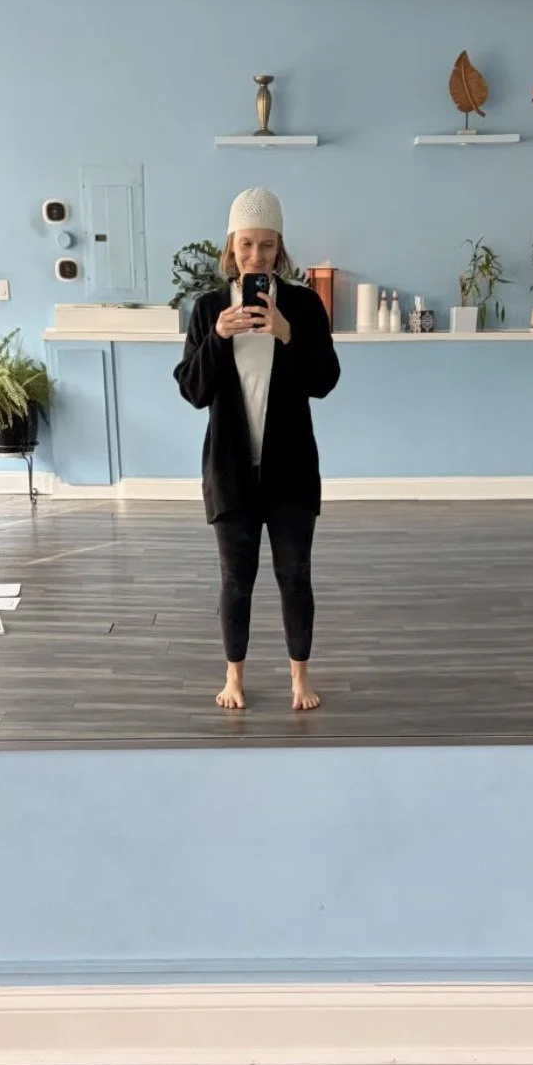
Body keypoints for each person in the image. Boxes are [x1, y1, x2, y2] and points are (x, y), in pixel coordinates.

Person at [173, 187, 340, 712]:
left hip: (292, 472)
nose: (256, 256)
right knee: (235, 580)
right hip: (230, 471)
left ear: (279, 247)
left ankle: (299, 678)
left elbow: (325, 380)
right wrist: (218, 338)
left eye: (267, 245)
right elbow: (193, 391)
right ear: (231, 245)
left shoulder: (304, 306)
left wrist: (288, 334)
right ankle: (234, 678)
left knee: (295, 576)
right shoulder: (209, 309)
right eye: (246, 244)